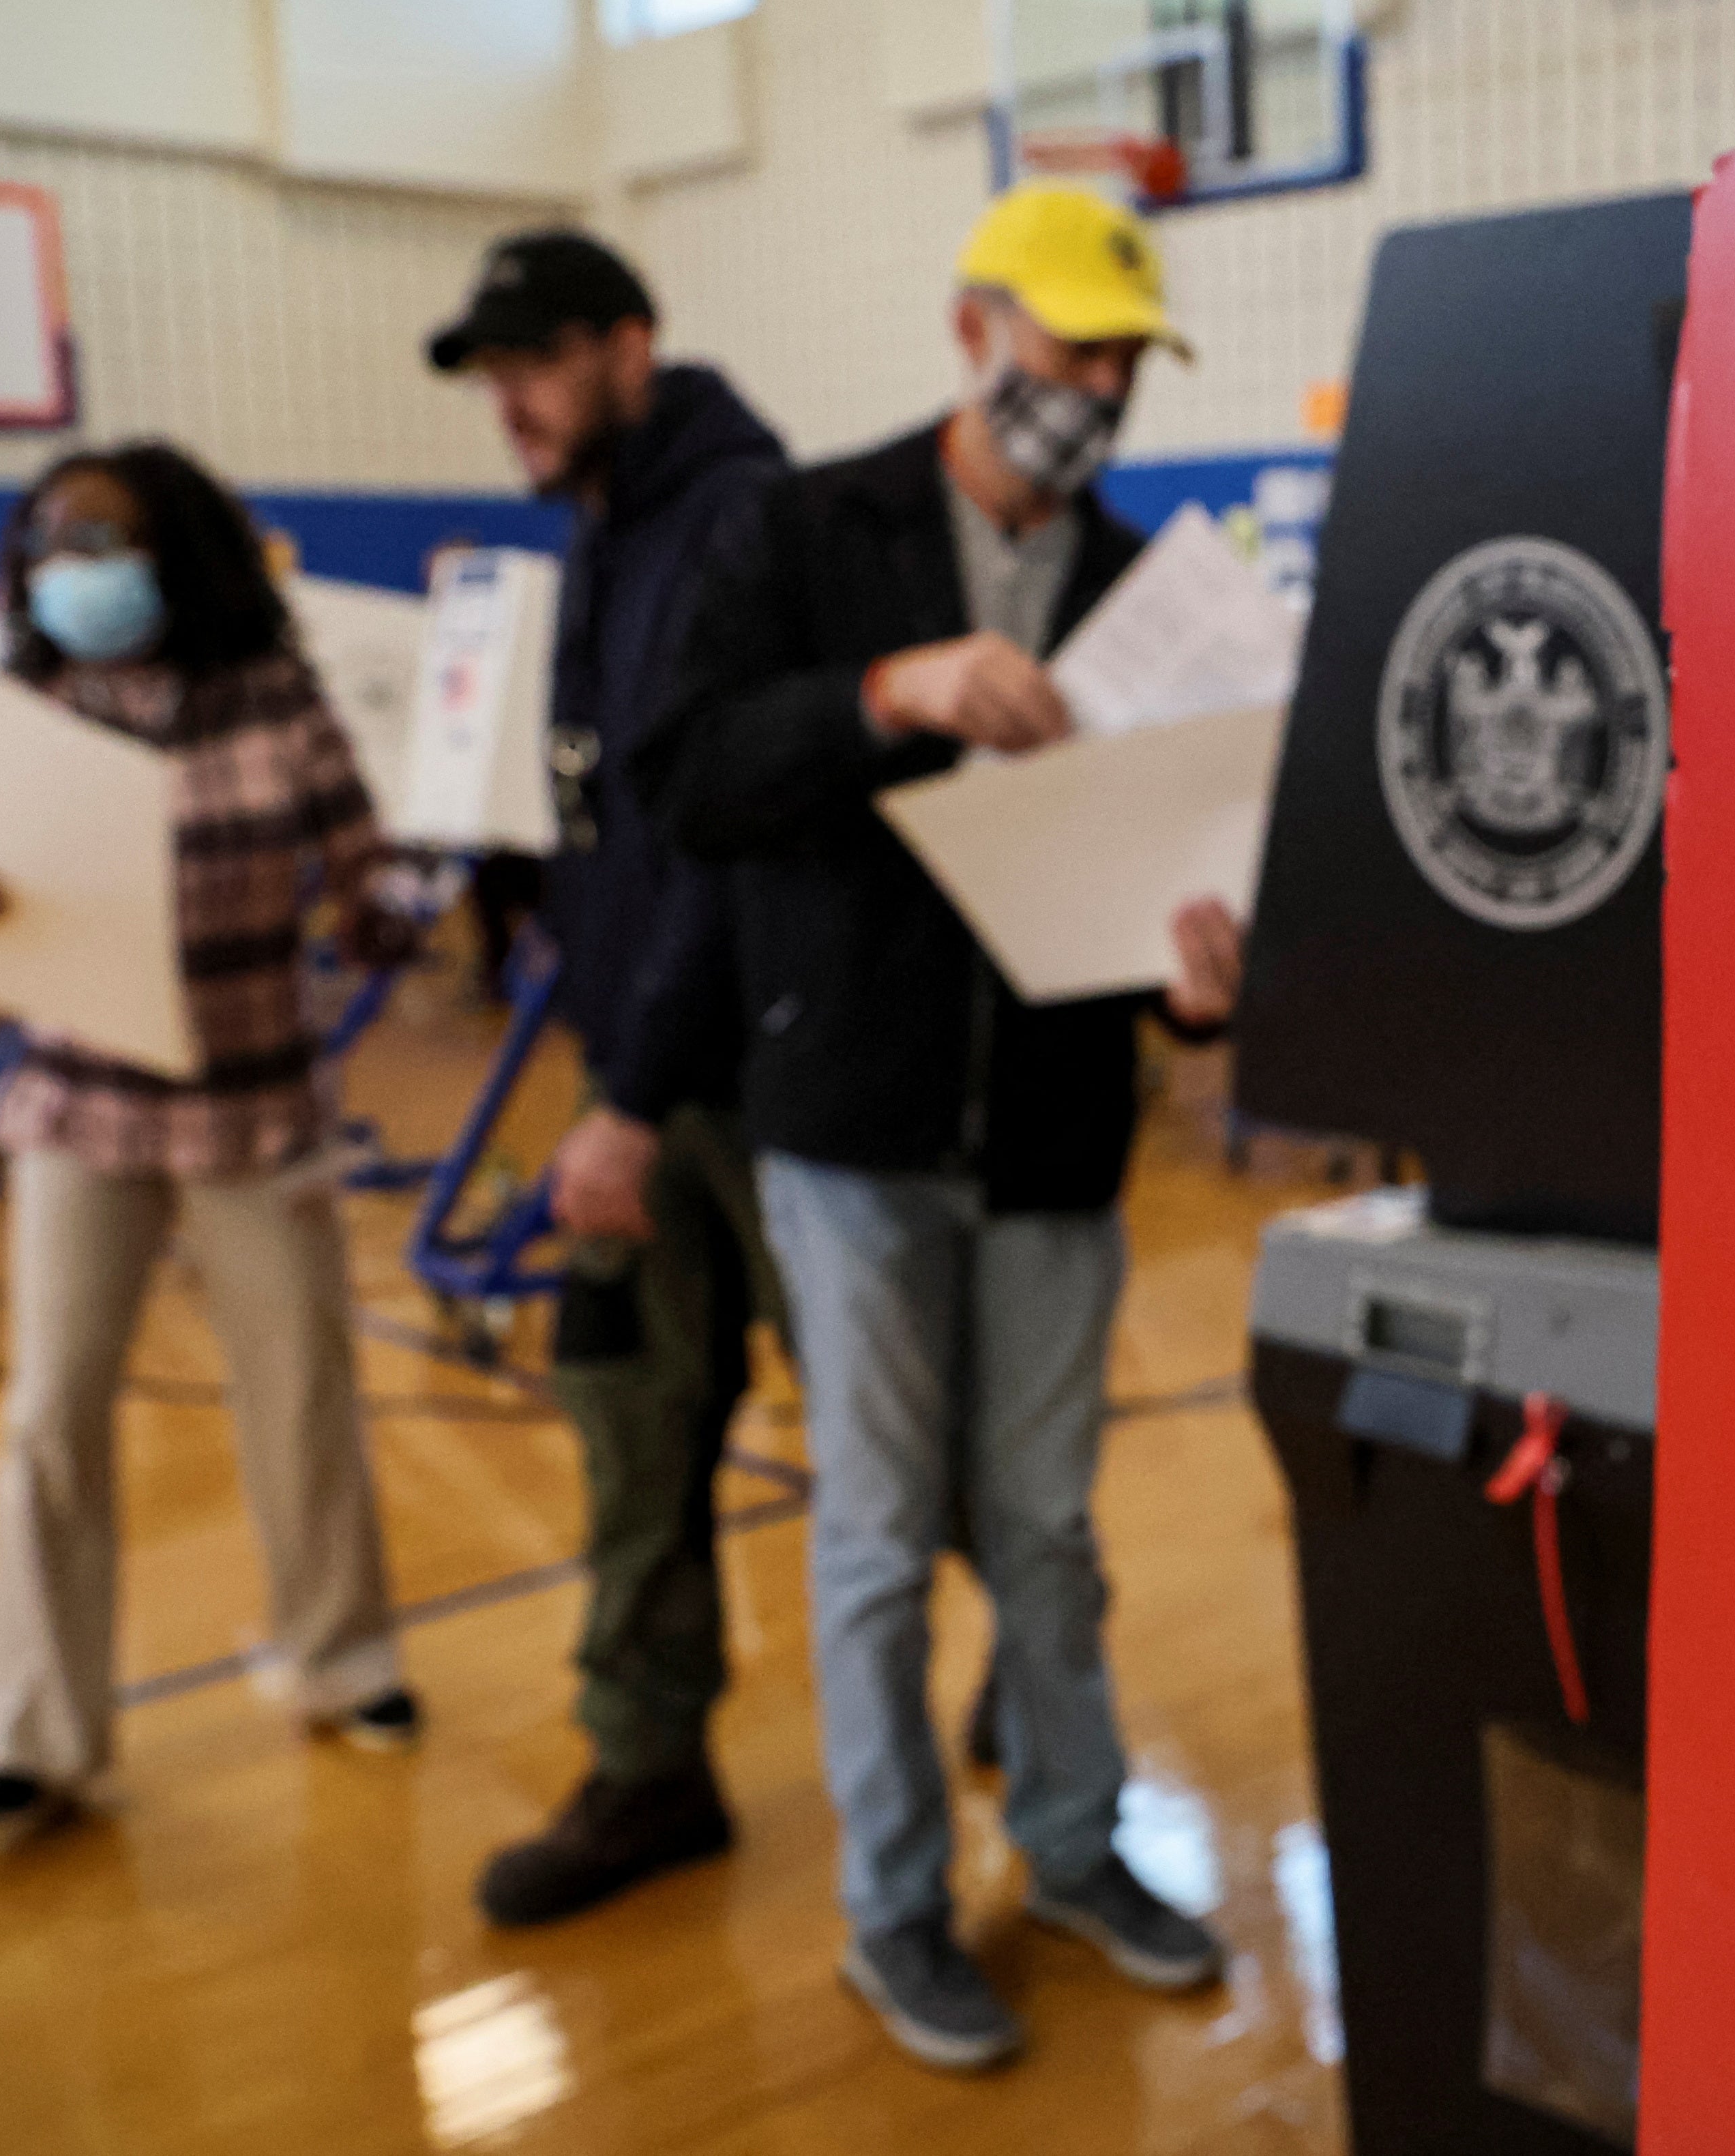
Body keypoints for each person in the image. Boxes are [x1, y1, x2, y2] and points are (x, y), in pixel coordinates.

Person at [636, 183, 1243, 2071]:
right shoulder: (804, 532)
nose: (1100, 388)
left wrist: (1199, 983)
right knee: (881, 1543)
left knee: (1048, 1532)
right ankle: (895, 1906)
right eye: (1072, 347)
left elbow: (1164, 865)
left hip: (1054, 1133)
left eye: (1127, 359)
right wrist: (883, 694)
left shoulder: (1144, 588)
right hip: (853, 1126)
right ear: (974, 330)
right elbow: (688, 777)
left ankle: (1072, 1846)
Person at [0, 440, 422, 1846]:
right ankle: (37, 1738)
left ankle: (343, 1659)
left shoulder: (277, 701)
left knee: (299, 1391)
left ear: (178, 555)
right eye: (53, 547)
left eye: (105, 543)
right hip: (80, 1105)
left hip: (254, 1101)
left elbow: (368, 868)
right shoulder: (15, 713)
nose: (77, 572)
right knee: (50, 1416)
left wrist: (384, 914)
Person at [424, 229, 796, 1925]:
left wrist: (633, 1097)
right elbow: (614, 813)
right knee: (632, 1424)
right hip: (642, 1060)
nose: (510, 398)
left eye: (540, 360)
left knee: (902, 1442)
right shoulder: (607, 526)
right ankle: (648, 1771)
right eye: (493, 371)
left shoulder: (736, 518)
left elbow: (728, 842)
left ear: (630, 348)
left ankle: (1033, 1686)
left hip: (757, 1081)